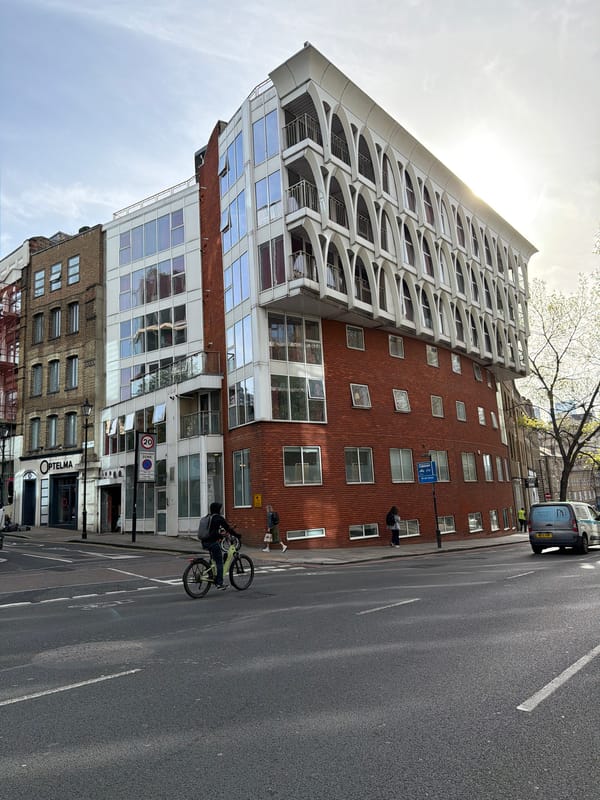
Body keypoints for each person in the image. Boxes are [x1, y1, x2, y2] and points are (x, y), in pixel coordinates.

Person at [200, 501, 237, 590]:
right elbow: (227, 528)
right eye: (220, 508)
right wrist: (237, 535)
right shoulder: (218, 518)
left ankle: (212, 573)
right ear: (218, 509)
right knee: (219, 562)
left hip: (204, 541)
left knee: (214, 559)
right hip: (212, 543)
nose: (221, 510)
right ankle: (219, 583)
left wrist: (220, 534)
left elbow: (212, 531)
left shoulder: (208, 517)